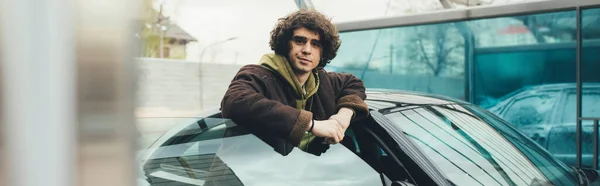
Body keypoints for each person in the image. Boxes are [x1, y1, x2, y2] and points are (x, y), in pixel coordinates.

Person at [221, 9, 368, 156]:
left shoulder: (323, 81)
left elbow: (353, 83)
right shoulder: (257, 75)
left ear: (323, 52)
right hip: (242, 174)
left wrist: (343, 117)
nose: (307, 50)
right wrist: (311, 125)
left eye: (316, 44)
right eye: (299, 41)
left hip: (298, 172)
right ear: (285, 44)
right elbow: (235, 101)